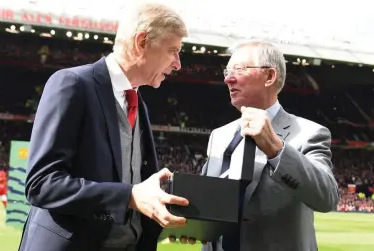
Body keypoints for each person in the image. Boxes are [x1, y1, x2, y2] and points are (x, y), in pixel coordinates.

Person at [18, 3, 190, 251]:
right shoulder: (72, 84)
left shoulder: (138, 102)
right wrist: (129, 196)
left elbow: (133, 183)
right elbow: (41, 184)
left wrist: (176, 213)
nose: (178, 64)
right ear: (141, 42)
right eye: (173, 51)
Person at [171, 40, 339, 250]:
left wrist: (277, 150)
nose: (228, 79)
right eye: (227, 71)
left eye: (239, 69)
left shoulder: (308, 133)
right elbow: (212, 199)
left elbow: (327, 197)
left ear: (269, 76)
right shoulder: (219, 136)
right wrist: (193, 222)